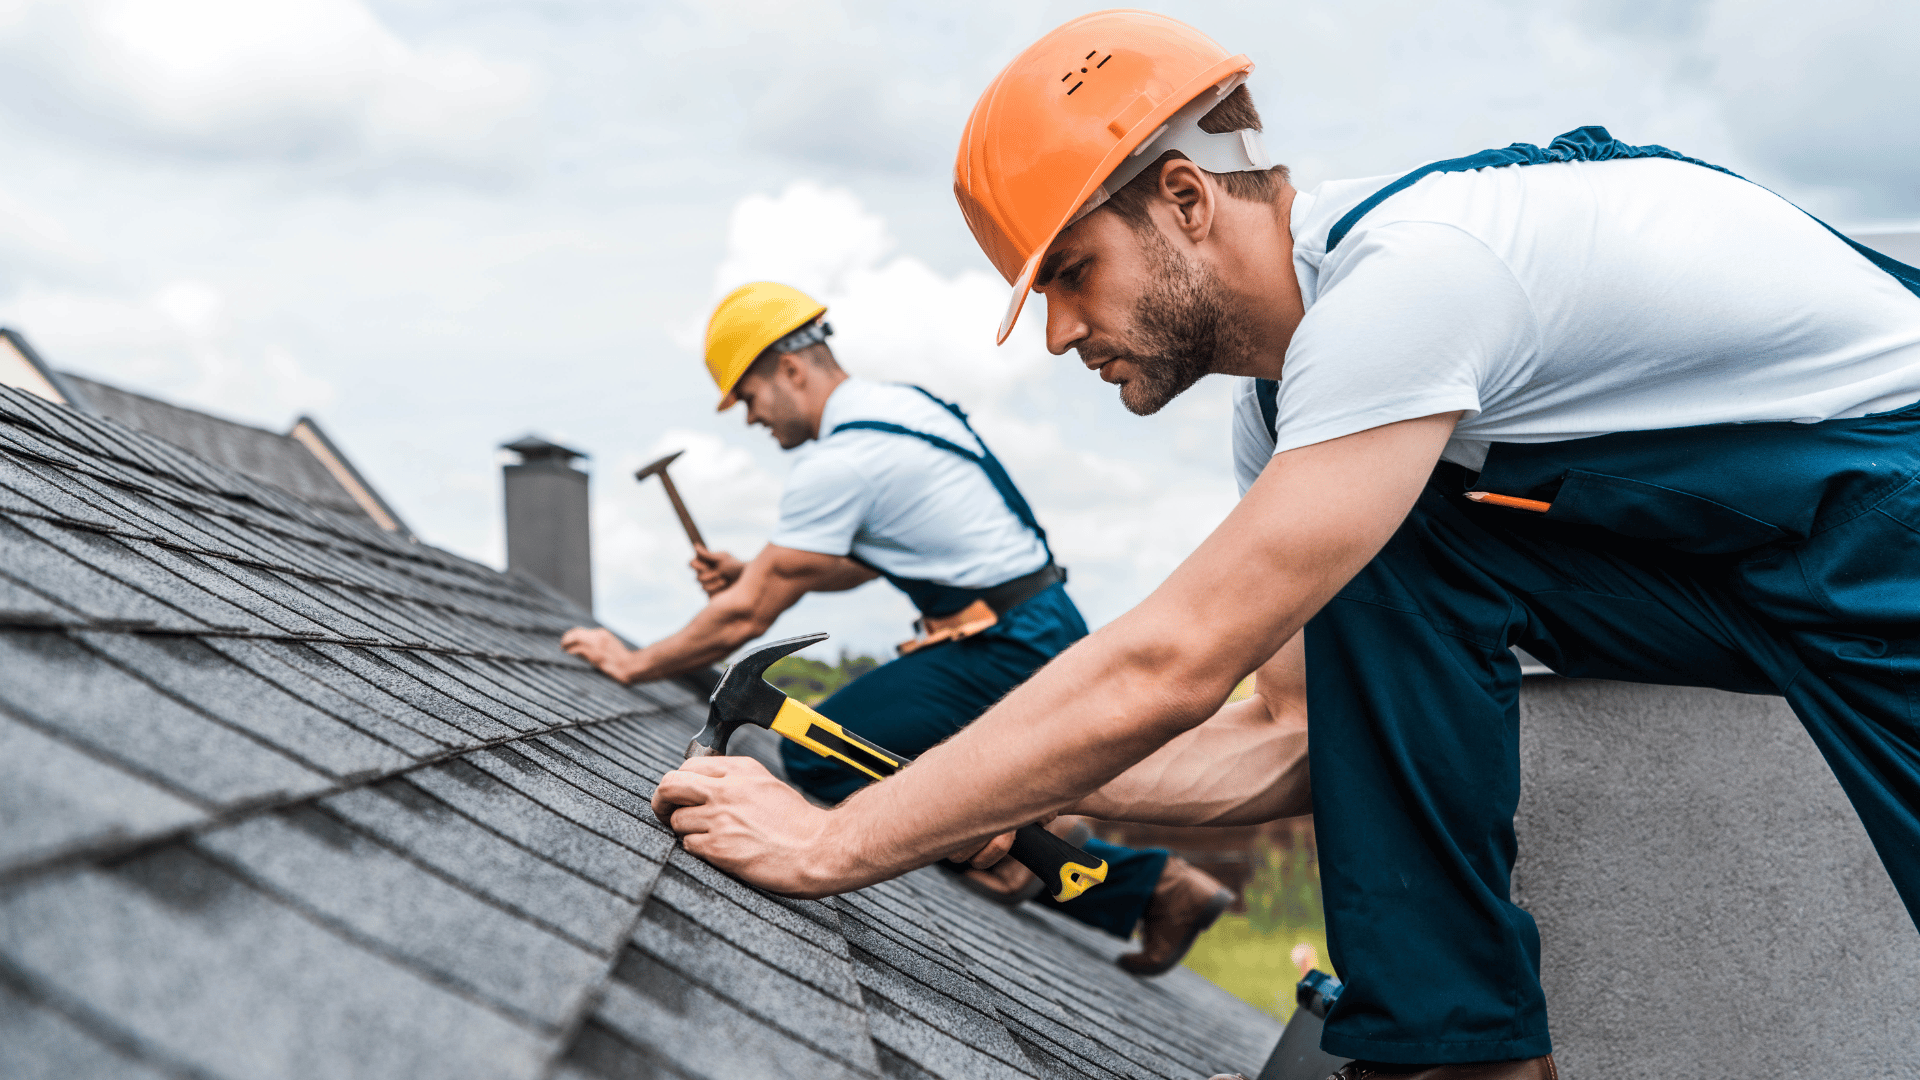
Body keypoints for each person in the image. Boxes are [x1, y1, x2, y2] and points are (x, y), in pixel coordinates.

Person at [646, 10, 1920, 1079]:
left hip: (1889, 513)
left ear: (1187, 199)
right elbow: (1295, 737)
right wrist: (1012, 791)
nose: (1056, 336)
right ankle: (1454, 1052)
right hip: (1745, 560)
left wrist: (836, 841)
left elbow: (1173, 664)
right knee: (1393, 552)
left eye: (1074, 274)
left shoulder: (1412, 284)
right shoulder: (1300, 421)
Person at [562, 281, 1233, 974]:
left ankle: (1063, 856)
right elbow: (857, 564)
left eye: (750, 398)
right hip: (1031, 624)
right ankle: (1085, 859)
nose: (752, 420)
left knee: (821, 756)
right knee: (911, 768)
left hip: (1003, 644)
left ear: (789, 369)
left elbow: (747, 614)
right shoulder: (901, 409)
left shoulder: (841, 459)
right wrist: (757, 569)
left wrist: (632, 662)